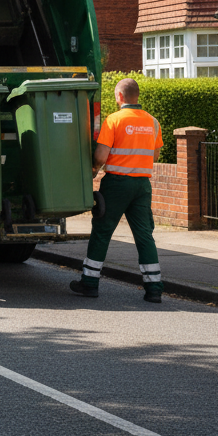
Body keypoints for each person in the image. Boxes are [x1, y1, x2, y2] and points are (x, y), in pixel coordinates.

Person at [71, 78, 165, 303]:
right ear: (137, 96)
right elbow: (155, 156)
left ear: (120, 97)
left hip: (117, 184)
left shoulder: (114, 120)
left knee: (103, 231)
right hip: (142, 186)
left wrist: (94, 169)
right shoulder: (153, 122)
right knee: (144, 234)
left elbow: (102, 155)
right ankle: (154, 288)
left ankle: (90, 282)